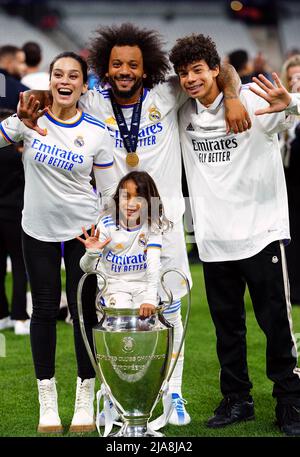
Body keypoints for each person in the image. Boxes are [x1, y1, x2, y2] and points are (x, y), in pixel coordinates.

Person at [17, 22, 251, 427]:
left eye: (133, 65)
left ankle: (173, 393)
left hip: (164, 223)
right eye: (116, 65)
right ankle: (112, 396)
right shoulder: (92, 101)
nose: (125, 70)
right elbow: (55, 95)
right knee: (112, 310)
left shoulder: (167, 92)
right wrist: (36, 96)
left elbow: (224, 68)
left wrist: (231, 96)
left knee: (170, 306)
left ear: (147, 69)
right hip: (112, 229)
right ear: (105, 69)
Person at [170, 33, 300, 436]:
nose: (191, 79)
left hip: (261, 234)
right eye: (184, 72)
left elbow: (272, 101)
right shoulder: (180, 113)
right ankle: (237, 399)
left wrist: (291, 106)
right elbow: (214, 76)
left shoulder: (252, 99)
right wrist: (225, 93)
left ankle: (290, 401)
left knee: (276, 324)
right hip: (212, 239)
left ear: (214, 70)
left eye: (198, 70)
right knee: (227, 328)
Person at [0, 51, 117, 433]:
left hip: (84, 232)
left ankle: (85, 397)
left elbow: (110, 190)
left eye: (73, 76)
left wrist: (105, 233)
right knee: (44, 310)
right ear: (49, 80)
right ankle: (46, 401)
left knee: (84, 313)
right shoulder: (29, 119)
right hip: (37, 230)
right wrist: (18, 121)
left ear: (84, 85)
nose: (64, 81)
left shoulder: (98, 131)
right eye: (58, 74)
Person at [0, 46, 30, 335]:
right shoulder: (19, 155)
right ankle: (21, 317)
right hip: (15, 214)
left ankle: (2, 315)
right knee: (20, 265)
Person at [279, 55, 300, 304]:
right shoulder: (282, 109)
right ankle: (293, 289)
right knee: (291, 237)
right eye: (292, 77)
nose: (296, 81)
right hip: (287, 181)